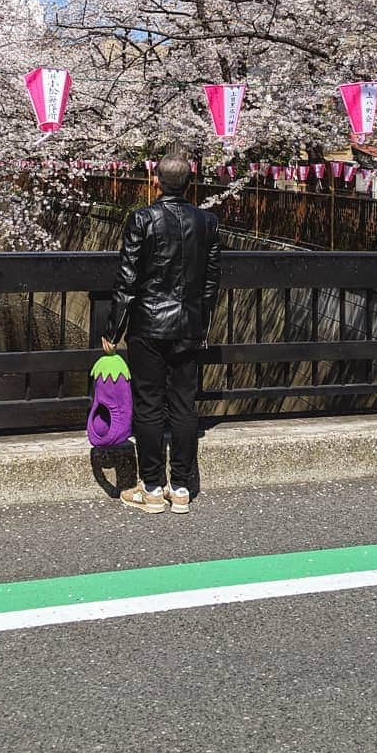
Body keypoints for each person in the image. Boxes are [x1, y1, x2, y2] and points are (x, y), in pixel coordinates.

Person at [101, 151, 220, 515]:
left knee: (150, 405)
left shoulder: (142, 219)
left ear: (156, 180)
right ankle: (181, 487)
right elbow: (212, 281)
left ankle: (151, 487)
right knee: (184, 404)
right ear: (190, 182)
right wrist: (203, 324)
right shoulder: (207, 222)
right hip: (187, 325)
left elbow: (127, 279)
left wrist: (114, 327)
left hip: (148, 324)